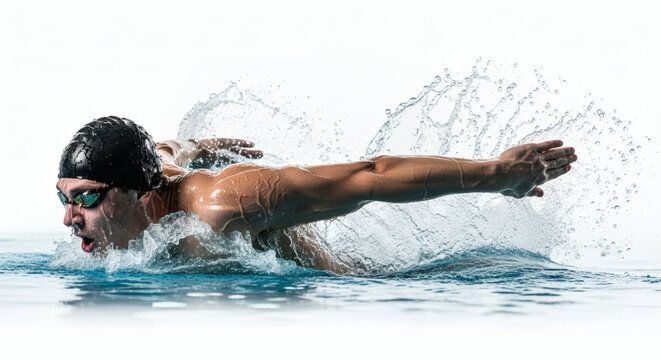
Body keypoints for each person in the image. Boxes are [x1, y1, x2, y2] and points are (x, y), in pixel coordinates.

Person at [56, 116, 577, 274]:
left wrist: (499, 174)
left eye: (85, 199)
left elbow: (368, 176)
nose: (69, 218)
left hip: (348, 285)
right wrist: (205, 144)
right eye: (63, 199)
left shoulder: (224, 205)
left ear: (136, 192)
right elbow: (168, 147)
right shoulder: (148, 176)